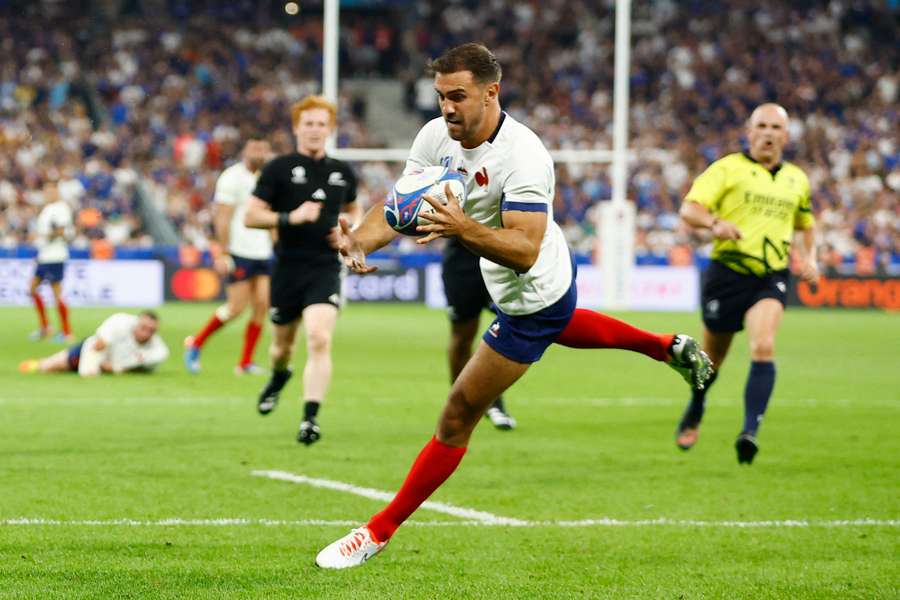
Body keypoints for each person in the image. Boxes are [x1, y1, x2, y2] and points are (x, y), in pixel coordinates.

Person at [315, 43, 712, 568]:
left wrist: (461, 228)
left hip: (532, 287)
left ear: (491, 92)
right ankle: (665, 347)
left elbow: (524, 251)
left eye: (458, 96)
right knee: (565, 325)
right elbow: (398, 207)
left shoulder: (524, 155)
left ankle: (377, 531)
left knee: (458, 413)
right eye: (440, 97)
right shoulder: (436, 136)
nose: (447, 108)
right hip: (506, 273)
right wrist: (360, 241)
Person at [674, 103, 818, 465]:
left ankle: (749, 432)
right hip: (727, 274)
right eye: (762, 126)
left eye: (776, 127)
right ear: (749, 132)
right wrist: (715, 224)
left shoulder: (797, 179)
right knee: (711, 362)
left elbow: (805, 223)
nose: (768, 133)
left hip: (770, 276)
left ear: (785, 136)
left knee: (764, 345)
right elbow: (690, 209)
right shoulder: (727, 168)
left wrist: (810, 257)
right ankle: (697, 406)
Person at [243, 95, 361, 445]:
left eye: (321, 124)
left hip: (324, 267)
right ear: (297, 128)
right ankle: (279, 377)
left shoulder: (343, 172)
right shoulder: (278, 168)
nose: (314, 130)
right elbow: (251, 215)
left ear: (330, 129)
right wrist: (289, 217)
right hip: (287, 268)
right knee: (282, 347)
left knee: (319, 338)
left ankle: (310, 419)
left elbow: (355, 209)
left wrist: (347, 230)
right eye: (308, 123)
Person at [184, 138, 274, 375]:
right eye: (255, 148)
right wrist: (222, 252)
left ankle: (244, 363)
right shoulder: (232, 178)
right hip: (239, 251)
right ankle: (196, 343)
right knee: (236, 308)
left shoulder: (270, 176)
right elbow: (222, 217)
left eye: (263, 148)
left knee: (262, 305)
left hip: (263, 251)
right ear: (245, 150)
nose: (259, 152)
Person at [442, 239, 516, 429]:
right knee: (462, 336)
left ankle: (495, 404)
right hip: (462, 261)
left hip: (501, 256)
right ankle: (459, 402)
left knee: (508, 328)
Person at [19, 311, 168, 376]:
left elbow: (136, 367)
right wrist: (102, 343)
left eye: (151, 330)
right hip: (92, 351)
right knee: (51, 367)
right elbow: (100, 342)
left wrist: (115, 369)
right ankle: (39, 364)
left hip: (109, 365)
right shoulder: (121, 322)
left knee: (65, 370)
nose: (146, 333)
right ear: (137, 323)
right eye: (143, 328)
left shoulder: (159, 351)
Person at [29, 180, 74, 342]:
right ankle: (45, 327)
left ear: (57, 192)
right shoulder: (47, 209)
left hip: (56, 256)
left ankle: (67, 332)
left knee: (57, 295)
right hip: (44, 256)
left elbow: (62, 232)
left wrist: (44, 237)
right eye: (46, 191)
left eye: (51, 191)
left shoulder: (62, 209)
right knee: (32, 289)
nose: (49, 194)